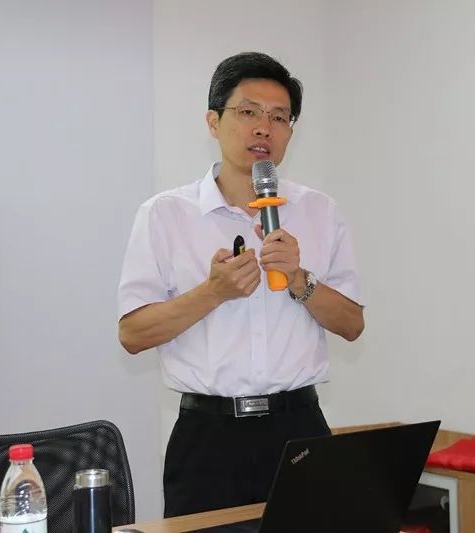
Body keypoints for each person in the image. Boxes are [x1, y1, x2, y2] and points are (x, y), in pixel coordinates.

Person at [117, 51, 365, 518]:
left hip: (299, 430)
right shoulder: (165, 214)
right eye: (248, 112)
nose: (263, 128)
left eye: (279, 118)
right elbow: (132, 334)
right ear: (213, 122)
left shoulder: (319, 211)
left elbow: (352, 325)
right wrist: (213, 292)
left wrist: (300, 280)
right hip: (207, 439)